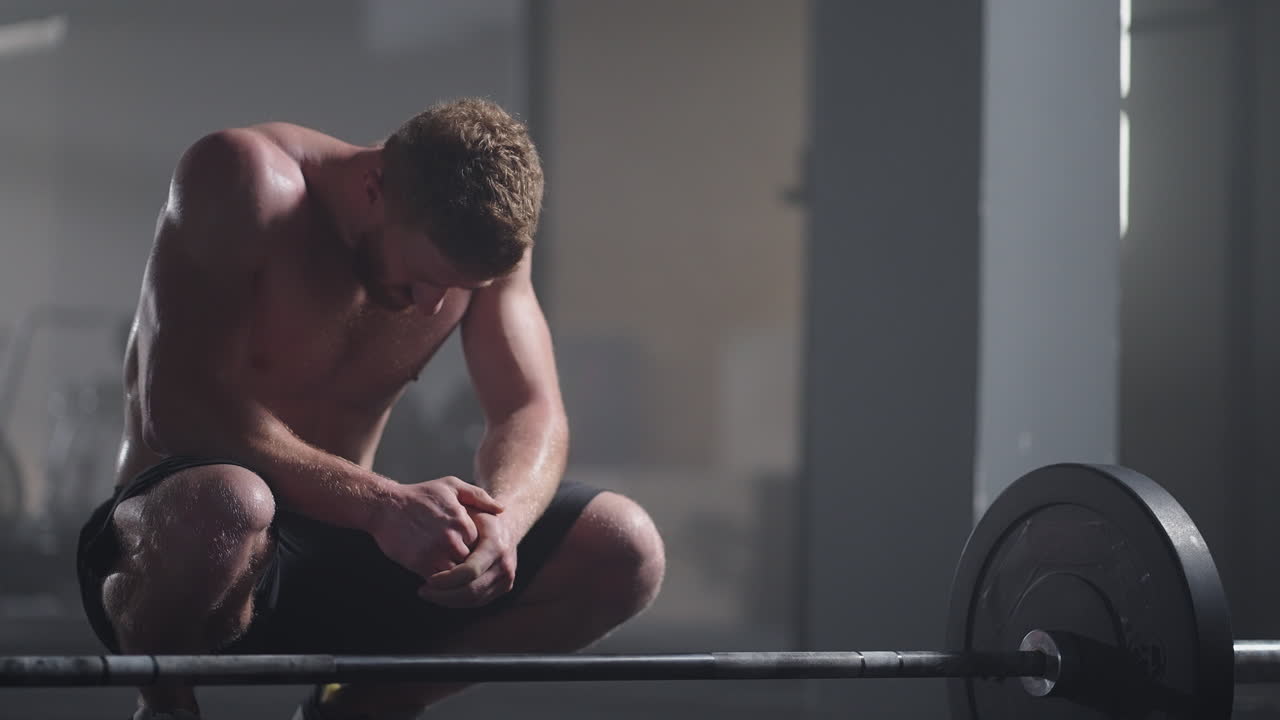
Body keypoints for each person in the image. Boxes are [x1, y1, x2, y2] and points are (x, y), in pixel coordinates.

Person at [75, 98, 666, 720]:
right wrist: (382, 503)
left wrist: (506, 525)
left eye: (457, 288)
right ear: (373, 186)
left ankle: (361, 707)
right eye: (422, 277)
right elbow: (177, 406)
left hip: (347, 540)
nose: (432, 306)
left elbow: (530, 409)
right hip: (182, 555)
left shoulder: (485, 249)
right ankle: (165, 704)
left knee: (625, 546)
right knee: (230, 503)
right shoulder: (246, 179)